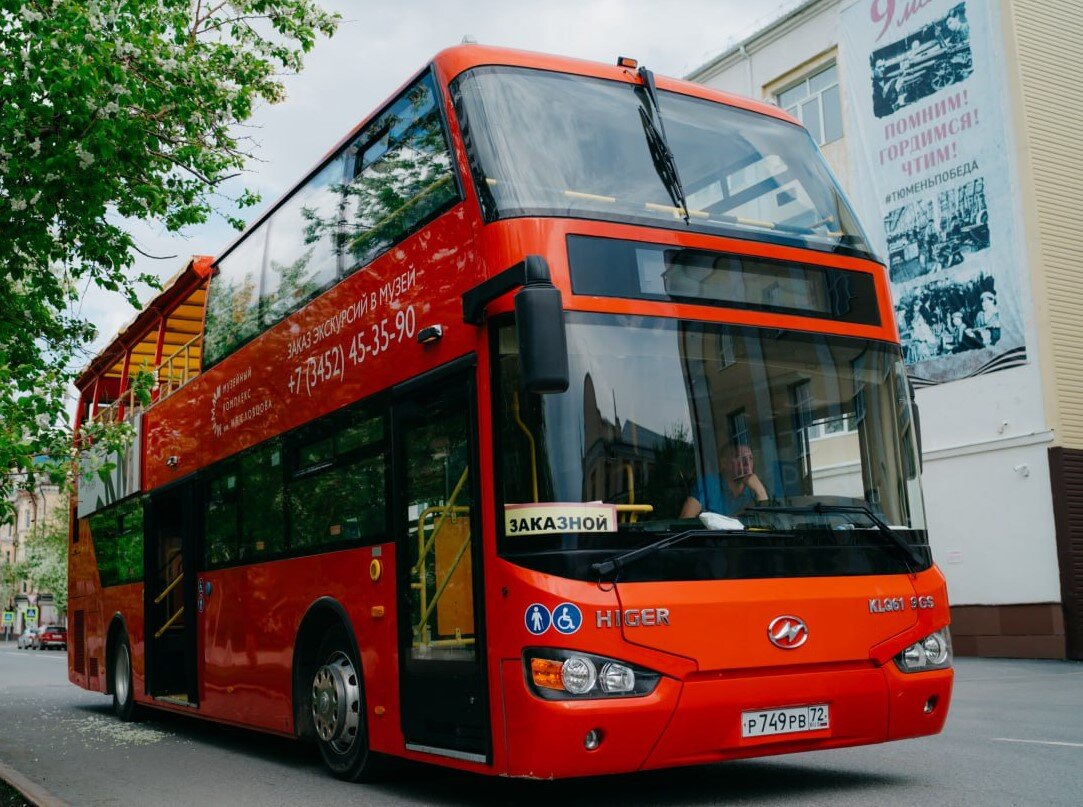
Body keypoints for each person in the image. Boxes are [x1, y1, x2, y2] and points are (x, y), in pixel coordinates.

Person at [680, 442, 768, 519]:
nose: (747, 464)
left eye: (750, 458)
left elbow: (771, 525)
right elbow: (685, 520)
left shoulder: (757, 488)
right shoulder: (708, 485)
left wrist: (761, 492)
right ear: (724, 463)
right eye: (740, 458)